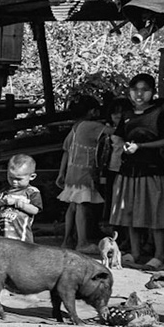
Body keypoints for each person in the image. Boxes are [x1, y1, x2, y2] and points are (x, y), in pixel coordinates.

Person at [109, 73, 164, 268]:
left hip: (151, 169)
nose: (139, 94)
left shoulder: (159, 114)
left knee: (155, 213)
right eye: (135, 90)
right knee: (130, 212)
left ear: (153, 92)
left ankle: (159, 255)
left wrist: (140, 147)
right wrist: (122, 144)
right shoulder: (127, 114)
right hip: (128, 170)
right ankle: (135, 252)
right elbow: (117, 137)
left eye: (145, 90)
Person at [56, 97, 109, 251]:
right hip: (84, 172)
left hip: (72, 171)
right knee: (82, 206)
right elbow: (115, 132)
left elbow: (66, 150)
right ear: (93, 111)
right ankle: (82, 242)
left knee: (72, 206)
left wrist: (61, 173)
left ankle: (67, 240)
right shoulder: (93, 126)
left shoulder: (75, 127)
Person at [0, 152, 42, 243]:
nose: (14, 182)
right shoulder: (4, 192)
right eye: (11, 177)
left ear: (32, 176)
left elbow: (35, 210)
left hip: (22, 239)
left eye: (18, 179)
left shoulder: (31, 192)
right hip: (3, 237)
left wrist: (16, 202)